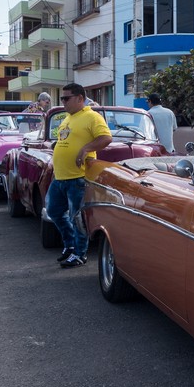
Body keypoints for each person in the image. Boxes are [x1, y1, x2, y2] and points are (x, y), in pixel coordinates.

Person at [48, 83, 112, 268]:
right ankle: (69, 246)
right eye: (62, 98)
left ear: (80, 98)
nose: (63, 102)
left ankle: (79, 253)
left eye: (66, 98)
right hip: (60, 176)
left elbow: (106, 138)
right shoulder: (68, 118)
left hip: (77, 177)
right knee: (54, 212)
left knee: (77, 217)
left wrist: (85, 149)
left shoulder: (92, 116)